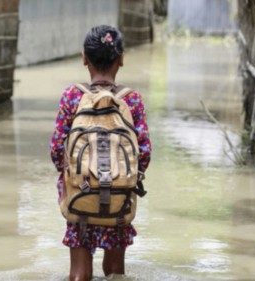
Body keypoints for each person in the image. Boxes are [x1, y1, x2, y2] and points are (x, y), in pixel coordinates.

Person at [49, 25, 151, 281]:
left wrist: (74, 176)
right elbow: (145, 153)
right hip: (120, 196)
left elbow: (57, 149)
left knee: (79, 274)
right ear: (122, 59)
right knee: (115, 273)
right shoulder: (132, 100)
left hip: (80, 192)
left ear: (84, 58)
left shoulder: (72, 96)